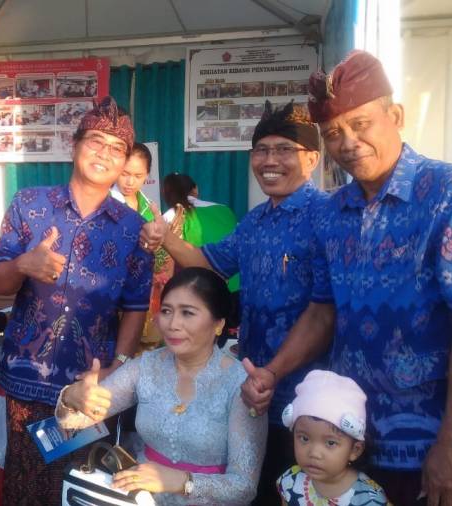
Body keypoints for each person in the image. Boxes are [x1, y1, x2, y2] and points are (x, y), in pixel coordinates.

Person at [242, 51, 452, 506]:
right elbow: (323, 313)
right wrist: (273, 371)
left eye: (361, 124)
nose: (348, 142)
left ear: (396, 116)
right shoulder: (332, 213)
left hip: (436, 439)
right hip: (354, 435)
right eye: (333, 133)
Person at [140, 101, 331, 506]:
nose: (270, 160)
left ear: (312, 158)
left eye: (284, 150)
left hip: (309, 400)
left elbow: (324, 313)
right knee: (255, 491)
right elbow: (207, 263)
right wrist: (166, 236)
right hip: (250, 393)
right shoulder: (254, 221)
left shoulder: (327, 217)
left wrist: (273, 373)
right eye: (261, 150)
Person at [0, 96, 154, 505]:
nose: (104, 154)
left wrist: (120, 365)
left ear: (124, 162)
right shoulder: (29, 204)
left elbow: (136, 306)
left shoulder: (133, 228)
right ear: (74, 144)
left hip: (90, 384)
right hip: (27, 378)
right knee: (25, 487)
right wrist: (24, 264)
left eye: (116, 149)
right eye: (95, 141)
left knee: (79, 485)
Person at [57, 267, 267, 505]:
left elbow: (244, 487)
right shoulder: (146, 366)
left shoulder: (240, 385)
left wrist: (182, 481)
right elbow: (75, 421)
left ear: (218, 324)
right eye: (166, 311)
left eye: (187, 313)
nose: (173, 324)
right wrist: (71, 398)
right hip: (140, 498)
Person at [276, 370, 389, 506]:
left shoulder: (370, 499)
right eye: (304, 438)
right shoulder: (290, 481)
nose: (314, 453)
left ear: (355, 450)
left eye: (330, 443)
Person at [111, 142, 155, 222]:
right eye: (124, 174)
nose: (130, 182)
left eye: (138, 176)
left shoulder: (151, 209)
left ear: (147, 175)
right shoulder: (102, 203)